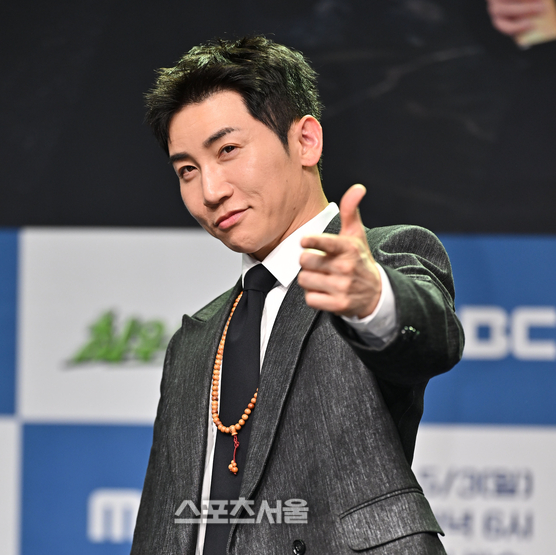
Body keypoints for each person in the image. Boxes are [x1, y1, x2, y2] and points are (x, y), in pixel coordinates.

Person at [132, 35, 463, 555]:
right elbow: (163, 524)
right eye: (187, 170)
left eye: (227, 150)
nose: (210, 191)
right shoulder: (194, 341)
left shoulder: (385, 259)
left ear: (306, 141)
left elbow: (431, 341)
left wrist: (372, 298)